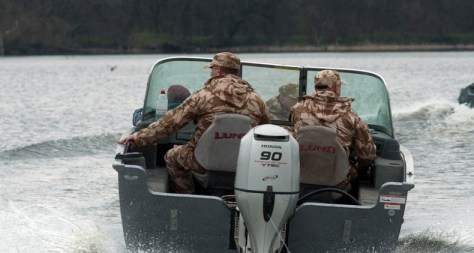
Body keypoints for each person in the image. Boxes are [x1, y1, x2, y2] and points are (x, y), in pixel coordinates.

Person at [118, 52, 271, 194]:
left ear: (217, 71)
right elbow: (267, 131)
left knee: (171, 157)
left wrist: (138, 137)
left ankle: (189, 199)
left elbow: (170, 123)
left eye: (212, 69)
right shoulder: (256, 99)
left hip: (201, 162)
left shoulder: (203, 96)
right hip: (244, 165)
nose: (211, 73)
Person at [290, 69, 376, 187]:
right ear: (336, 88)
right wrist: (359, 167)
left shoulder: (297, 110)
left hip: (298, 178)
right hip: (337, 183)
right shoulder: (350, 116)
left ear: (316, 88)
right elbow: (367, 155)